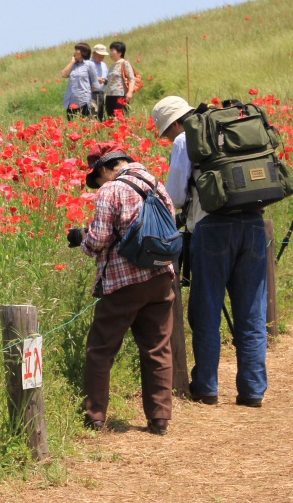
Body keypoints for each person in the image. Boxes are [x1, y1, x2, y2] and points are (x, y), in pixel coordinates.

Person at [153, 94, 268, 408]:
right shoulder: (232, 125)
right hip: (255, 223)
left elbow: (174, 196)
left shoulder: (185, 138)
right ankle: (253, 390)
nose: (168, 139)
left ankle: (206, 386)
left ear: (175, 122)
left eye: (165, 133)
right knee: (252, 312)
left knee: (206, 310)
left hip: (213, 227)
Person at [75, 143, 175, 436]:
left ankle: (95, 416)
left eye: (98, 177)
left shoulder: (112, 190)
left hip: (123, 280)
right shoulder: (155, 183)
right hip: (160, 276)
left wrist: (83, 241)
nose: (100, 185)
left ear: (106, 167)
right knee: (157, 347)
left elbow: (99, 240)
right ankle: (159, 419)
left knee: (101, 349)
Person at [61, 43, 100, 120]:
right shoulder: (73, 65)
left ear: (83, 52)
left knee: (83, 124)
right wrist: (72, 62)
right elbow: (64, 75)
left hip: (83, 102)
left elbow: (95, 84)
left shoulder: (89, 64)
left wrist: (85, 93)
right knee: (71, 125)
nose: (74, 52)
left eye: (77, 50)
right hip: (71, 101)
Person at [106, 42, 136, 118]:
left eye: (113, 51)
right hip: (109, 95)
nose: (111, 53)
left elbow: (131, 79)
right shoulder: (113, 65)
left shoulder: (125, 63)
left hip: (120, 95)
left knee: (120, 118)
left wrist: (130, 92)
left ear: (120, 52)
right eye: (110, 51)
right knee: (111, 118)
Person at [90, 44, 110, 117]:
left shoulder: (103, 65)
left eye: (103, 56)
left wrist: (105, 81)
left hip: (101, 93)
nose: (101, 58)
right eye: (99, 56)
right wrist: (96, 79)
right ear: (94, 53)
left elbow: (107, 78)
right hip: (91, 94)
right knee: (92, 114)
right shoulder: (88, 63)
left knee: (100, 115)